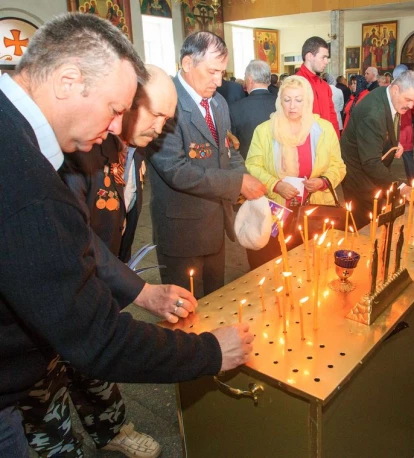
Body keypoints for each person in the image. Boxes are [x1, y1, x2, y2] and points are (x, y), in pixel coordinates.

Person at [0, 13, 254, 458]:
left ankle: (109, 430)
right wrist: (207, 352)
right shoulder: (33, 178)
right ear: (67, 80)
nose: (116, 127)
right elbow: (95, 334)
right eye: (116, 109)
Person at [20, 64, 180, 458]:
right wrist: (140, 291)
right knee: (47, 382)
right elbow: (78, 236)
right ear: (126, 104)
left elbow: (118, 224)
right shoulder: (81, 150)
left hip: (98, 282)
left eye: (167, 120)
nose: (161, 128)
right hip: (57, 286)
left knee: (94, 366)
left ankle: (112, 431)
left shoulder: (133, 150)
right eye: (155, 114)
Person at [147, 32, 266, 299]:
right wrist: (237, 183)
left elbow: (227, 149)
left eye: (222, 72)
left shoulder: (219, 103)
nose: (219, 80)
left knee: (216, 301)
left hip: (215, 224)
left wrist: (244, 176)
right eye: (212, 71)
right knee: (187, 313)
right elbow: (176, 171)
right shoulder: (167, 102)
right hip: (182, 231)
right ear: (188, 64)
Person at [244, 76, 346, 268]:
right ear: (279, 100)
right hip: (277, 211)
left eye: (299, 100)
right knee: (278, 263)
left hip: (315, 209)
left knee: (311, 264)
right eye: (287, 99)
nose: (292, 106)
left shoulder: (323, 129)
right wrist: (276, 185)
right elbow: (253, 165)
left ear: (307, 101)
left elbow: (338, 166)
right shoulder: (265, 131)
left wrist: (323, 181)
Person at [341, 70, 414, 227]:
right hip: (359, 176)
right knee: (366, 224)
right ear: (395, 89)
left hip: (371, 168)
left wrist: (394, 143)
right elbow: (371, 163)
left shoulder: (388, 96)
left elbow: (386, 126)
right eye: (408, 100)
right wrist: (402, 188)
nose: (411, 106)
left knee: (377, 216)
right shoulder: (373, 113)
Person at [230, 59, 277, 159]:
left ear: (250, 80)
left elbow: (233, 144)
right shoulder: (282, 103)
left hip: (249, 166)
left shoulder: (235, 108)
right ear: (268, 81)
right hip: (279, 166)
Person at [296, 36, 340, 138]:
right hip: (305, 145)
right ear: (310, 56)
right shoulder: (295, 83)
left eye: (327, 57)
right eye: (323, 57)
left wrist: (335, 143)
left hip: (326, 144)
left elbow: (332, 118)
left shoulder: (324, 86)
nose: (326, 61)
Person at [393, 64, 414, 182]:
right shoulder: (411, 89)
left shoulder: (391, 88)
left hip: (395, 128)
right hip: (405, 128)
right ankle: (412, 183)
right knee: (408, 158)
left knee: (385, 158)